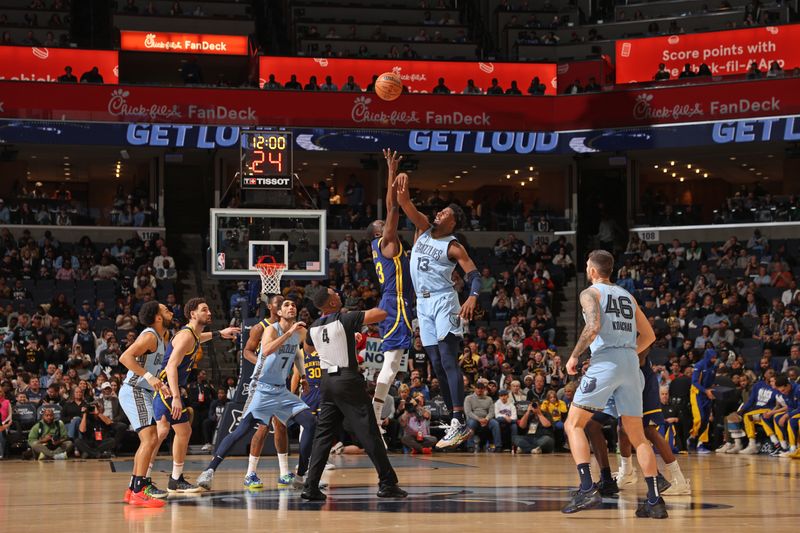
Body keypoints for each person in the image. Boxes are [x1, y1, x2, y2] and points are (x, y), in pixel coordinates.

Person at [561, 250, 666, 518]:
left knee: (573, 424)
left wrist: (574, 356)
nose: (586, 270)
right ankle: (654, 501)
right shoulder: (627, 296)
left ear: (594, 271)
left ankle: (587, 488)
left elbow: (593, 326)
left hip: (606, 362)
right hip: (631, 365)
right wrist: (629, 352)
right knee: (637, 436)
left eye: (587, 266)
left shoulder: (590, 293)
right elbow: (650, 335)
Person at [394, 171, 481, 449]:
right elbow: (405, 203)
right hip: (423, 302)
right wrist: (397, 177)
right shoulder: (422, 228)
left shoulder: (453, 247)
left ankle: (458, 421)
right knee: (435, 362)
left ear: (453, 221)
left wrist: (472, 297)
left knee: (447, 359)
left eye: (443, 213)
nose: (438, 214)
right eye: (439, 211)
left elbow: (474, 275)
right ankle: (457, 422)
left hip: (444, 301)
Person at [197, 299, 317, 491]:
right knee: (242, 430)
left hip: (281, 390)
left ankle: (301, 475)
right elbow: (267, 350)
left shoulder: (300, 332)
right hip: (262, 387)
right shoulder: (272, 329)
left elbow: (297, 354)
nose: (291, 307)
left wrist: (303, 376)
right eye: (286, 305)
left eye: (294, 304)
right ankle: (209, 471)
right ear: (278, 312)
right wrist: (288, 333)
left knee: (310, 422)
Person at [301, 288, 407, 501]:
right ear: (330, 303)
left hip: (327, 383)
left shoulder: (313, 327)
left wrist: (337, 342)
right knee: (369, 432)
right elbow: (381, 314)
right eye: (335, 295)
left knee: (323, 436)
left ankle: (310, 486)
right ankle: (387, 483)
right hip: (347, 381)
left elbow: (309, 349)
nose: (339, 295)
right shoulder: (345, 318)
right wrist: (394, 296)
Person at [153, 298, 238, 493]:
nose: (209, 313)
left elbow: (200, 337)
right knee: (183, 432)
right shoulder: (186, 335)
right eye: (204, 309)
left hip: (166, 387)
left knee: (161, 433)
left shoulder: (192, 334)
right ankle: (173, 480)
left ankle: (143, 479)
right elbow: (171, 366)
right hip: (168, 387)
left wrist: (219, 333)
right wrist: (175, 396)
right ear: (193, 314)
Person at [369, 150, 415, 436]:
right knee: (392, 361)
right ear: (379, 232)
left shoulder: (380, 248)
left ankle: (374, 413)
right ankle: (374, 415)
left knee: (394, 363)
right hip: (396, 304)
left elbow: (390, 212)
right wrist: (390, 171)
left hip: (395, 303)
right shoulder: (387, 243)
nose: (387, 226)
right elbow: (392, 209)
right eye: (383, 226)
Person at [118, 301, 172, 507]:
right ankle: (139, 490)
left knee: (152, 437)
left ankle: (133, 488)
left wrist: (218, 334)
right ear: (158, 317)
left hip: (144, 391)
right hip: (135, 389)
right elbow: (125, 357)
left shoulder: (163, 336)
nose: (170, 311)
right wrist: (150, 377)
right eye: (166, 310)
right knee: (150, 438)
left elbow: (191, 338)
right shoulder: (149, 336)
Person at [236, 294, 291, 488]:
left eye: (284, 303)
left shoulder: (289, 328)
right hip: (264, 383)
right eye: (278, 303)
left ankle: (284, 472)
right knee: (262, 427)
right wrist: (262, 361)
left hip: (281, 381)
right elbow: (246, 352)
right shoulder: (261, 327)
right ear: (270, 307)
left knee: (282, 426)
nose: (281, 306)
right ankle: (250, 473)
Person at [688, 348, 717, 454]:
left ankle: (700, 443)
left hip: (707, 394)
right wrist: (705, 391)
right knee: (699, 418)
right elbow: (694, 382)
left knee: (705, 420)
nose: (714, 360)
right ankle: (692, 436)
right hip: (697, 394)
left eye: (715, 358)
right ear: (708, 357)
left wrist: (713, 390)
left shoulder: (714, 367)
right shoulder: (699, 365)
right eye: (712, 358)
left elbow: (712, 381)